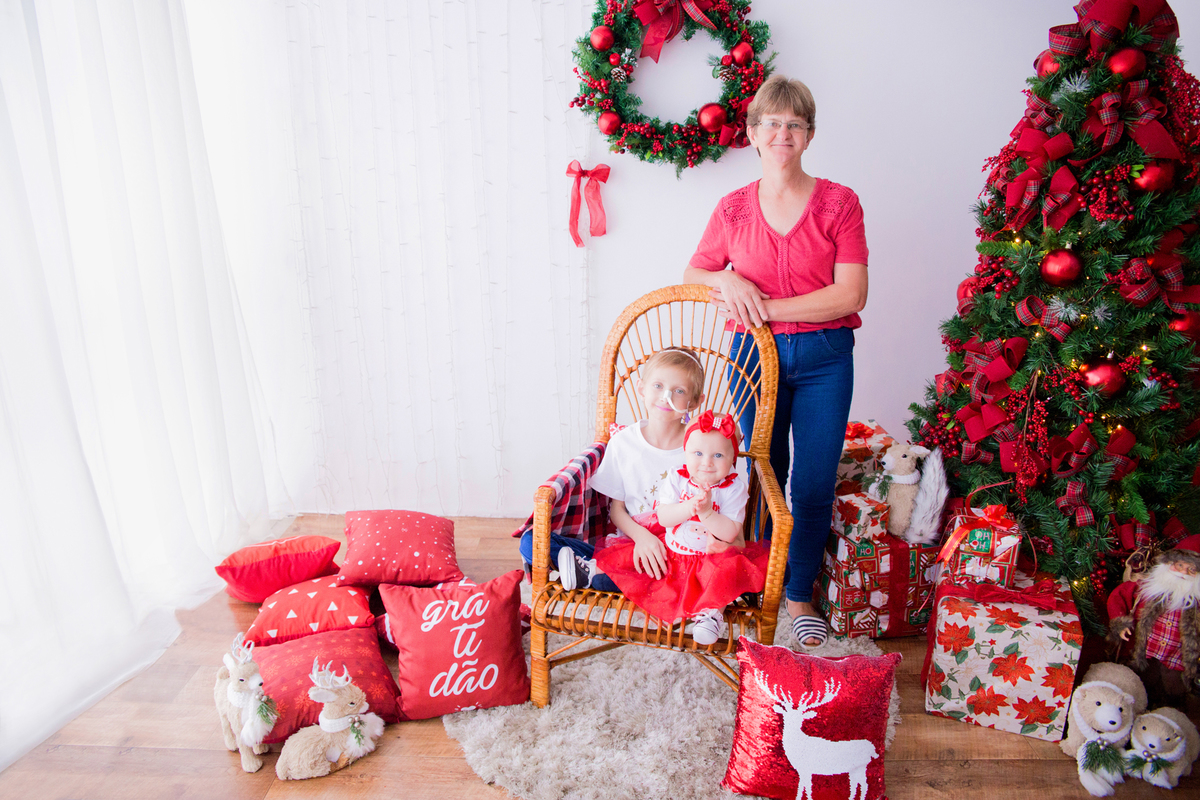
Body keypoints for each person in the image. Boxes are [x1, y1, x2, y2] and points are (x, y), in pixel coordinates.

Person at [683, 74, 869, 647]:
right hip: (750, 358)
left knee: (810, 482)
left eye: (794, 124)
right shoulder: (733, 209)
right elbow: (694, 274)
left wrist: (764, 304)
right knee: (757, 473)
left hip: (824, 359)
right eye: (772, 122)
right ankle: (748, 581)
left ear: (809, 136)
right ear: (753, 133)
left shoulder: (840, 202)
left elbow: (851, 294)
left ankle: (798, 596)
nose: (782, 132)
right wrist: (725, 277)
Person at [518, 347, 706, 592]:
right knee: (530, 542)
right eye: (658, 386)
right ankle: (598, 571)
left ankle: (598, 575)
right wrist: (641, 537)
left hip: (675, 552)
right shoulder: (624, 442)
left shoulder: (698, 447)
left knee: (664, 571)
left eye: (679, 391)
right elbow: (616, 511)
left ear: (694, 401)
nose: (665, 396)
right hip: (627, 544)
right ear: (641, 388)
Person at [595, 411, 769, 645]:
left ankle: (709, 614)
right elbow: (665, 517)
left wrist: (707, 513)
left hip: (710, 557)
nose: (706, 462)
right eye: (698, 453)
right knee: (635, 561)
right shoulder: (678, 478)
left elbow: (730, 532)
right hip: (675, 552)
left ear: (733, 458)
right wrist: (689, 507)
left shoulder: (733, 487)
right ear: (685, 453)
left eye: (718, 455)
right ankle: (591, 571)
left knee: (726, 572)